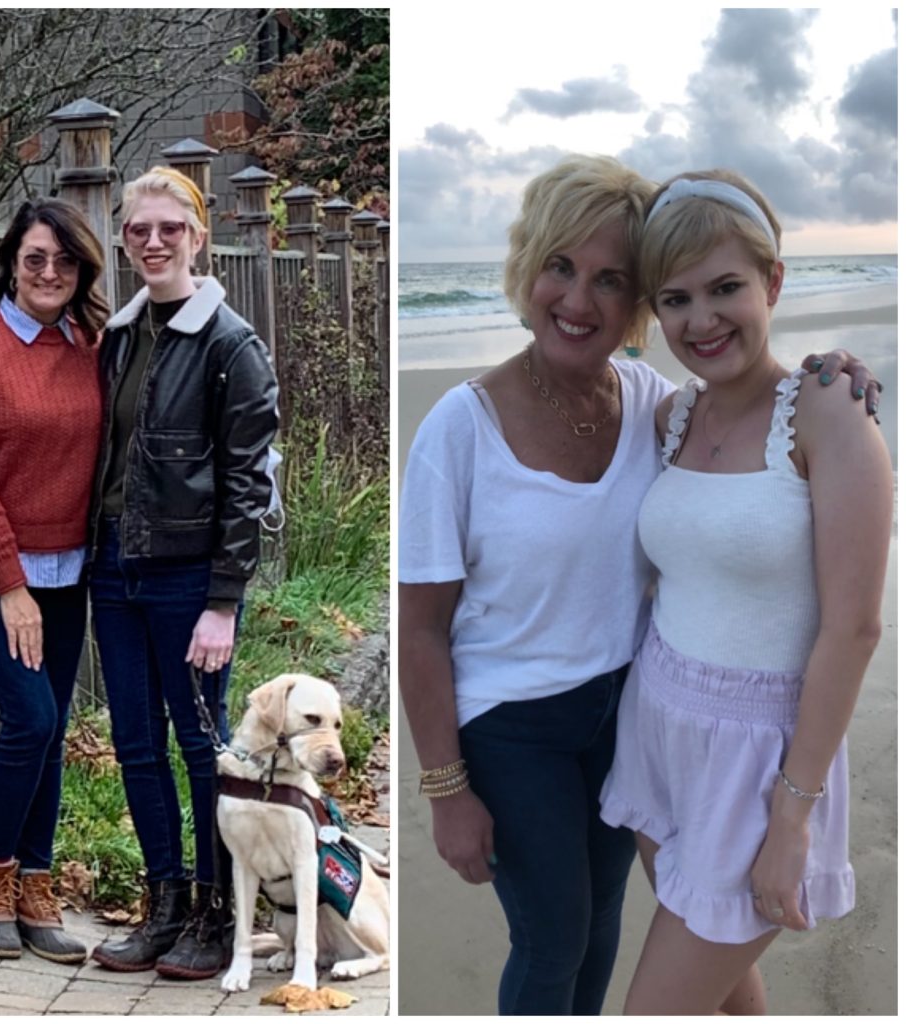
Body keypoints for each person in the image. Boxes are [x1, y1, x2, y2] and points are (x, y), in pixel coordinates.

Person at [397, 155, 879, 1016]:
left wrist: (832, 369)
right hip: (546, 728)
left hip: (659, 721)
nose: (580, 301)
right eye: (560, 267)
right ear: (526, 268)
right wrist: (445, 788)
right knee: (562, 943)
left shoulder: (659, 403)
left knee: (630, 946)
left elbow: (844, 609)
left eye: (612, 280)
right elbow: (421, 625)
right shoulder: (475, 428)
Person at [599, 170, 892, 1015]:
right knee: (726, 993)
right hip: (660, 725)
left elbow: (855, 630)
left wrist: (791, 819)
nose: (702, 320)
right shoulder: (671, 416)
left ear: (773, 280)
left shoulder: (830, 409)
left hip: (765, 759)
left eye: (726, 287)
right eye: (676, 298)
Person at [88, 167, 279, 980]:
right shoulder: (121, 336)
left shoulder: (232, 345)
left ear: (199, 236)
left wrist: (223, 601)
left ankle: (217, 910)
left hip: (187, 579)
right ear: (124, 239)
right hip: (112, 567)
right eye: (139, 230)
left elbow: (249, 483)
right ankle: (162, 905)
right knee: (135, 743)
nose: (155, 241)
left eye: (171, 228)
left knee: (203, 749)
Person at [0, 198, 109, 962]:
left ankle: (37, 883)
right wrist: (9, 586)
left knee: (51, 727)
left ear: (81, 271)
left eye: (64, 261)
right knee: (31, 719)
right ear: (10, 262)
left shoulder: (92, 344)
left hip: (67, 569)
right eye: (35, 258)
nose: (49, 272)